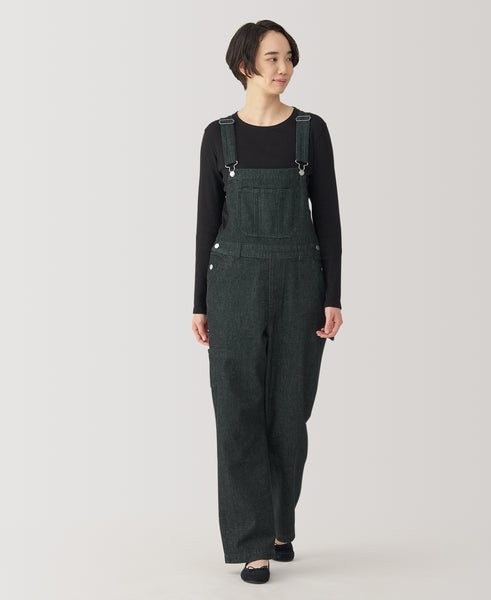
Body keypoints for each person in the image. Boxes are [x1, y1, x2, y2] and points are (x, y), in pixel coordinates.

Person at [191, 20, 343, 584]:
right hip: (232, 283)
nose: (284, 69)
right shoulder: (218, 136)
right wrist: (199, 302)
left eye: (289, 58)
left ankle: (280, 524)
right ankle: (251, 544)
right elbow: (206, 223)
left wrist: (333, 294)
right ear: (244, 66)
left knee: (289, 414)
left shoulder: (310, 131)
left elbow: (328, 218)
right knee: (236, 413)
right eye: (273, 58)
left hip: (301, 281)